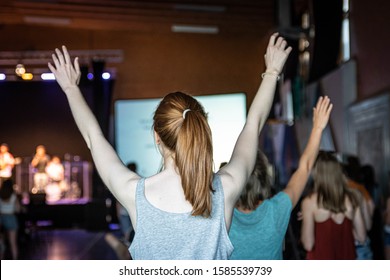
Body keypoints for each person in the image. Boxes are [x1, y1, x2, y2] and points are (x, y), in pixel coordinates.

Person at [48, 33, 291, 260]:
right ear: (200, 132)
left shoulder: (135, 194)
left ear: (156, 136)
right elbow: (253, 124)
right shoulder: (224, 189)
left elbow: (93, 137)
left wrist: (70, 88)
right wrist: (271, 72)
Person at [228, 96, 333, 260]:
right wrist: (318, 128)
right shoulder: (276, 210)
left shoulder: (221, 216)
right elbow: (305, 168)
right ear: (265, 178)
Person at [300, 151, 367, 259]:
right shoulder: (353, 197)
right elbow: (362, 237)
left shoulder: (309, 202)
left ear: (317, 173)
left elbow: (308, 244)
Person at [0, 179, 21, 259]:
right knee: (13, 243)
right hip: (11, 218)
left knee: (1, 242)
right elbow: (18, 209)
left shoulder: (0, 195)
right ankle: (14, 259)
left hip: (1, 218)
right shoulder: (13, 196)